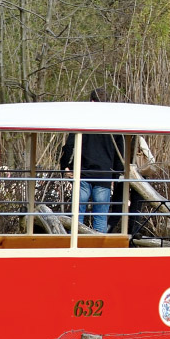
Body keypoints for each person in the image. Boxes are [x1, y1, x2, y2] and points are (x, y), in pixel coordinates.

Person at [58, 89, 124, 233]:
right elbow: (120, 153)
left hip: (82, 173)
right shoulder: (115, 125)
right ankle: (99, 250)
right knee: (100, 218)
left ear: (92, 101)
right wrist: (116, 175)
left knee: (77, 217)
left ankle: (74, 246)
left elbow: (69, 145)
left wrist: (65, 167)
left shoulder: (83, 121)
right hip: (104, 176)